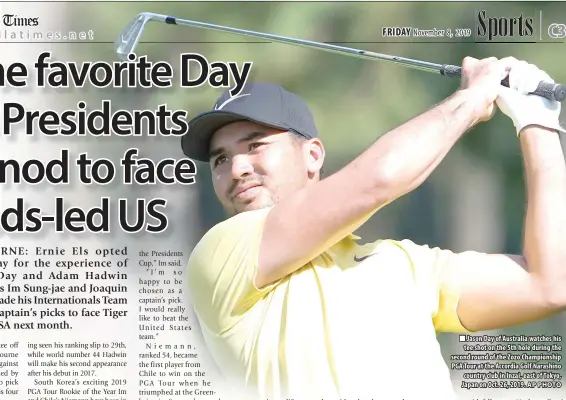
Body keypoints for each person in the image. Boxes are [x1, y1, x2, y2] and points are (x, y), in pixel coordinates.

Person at [183, 56, 566, 400]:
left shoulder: (402, 264)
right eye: (220, 160)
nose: (236, 169)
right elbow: (380, 178)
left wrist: (536, 123)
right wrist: (472, 98)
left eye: (254, 146)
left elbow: (548, 283)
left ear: (313, 155)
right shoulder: (221, 253)